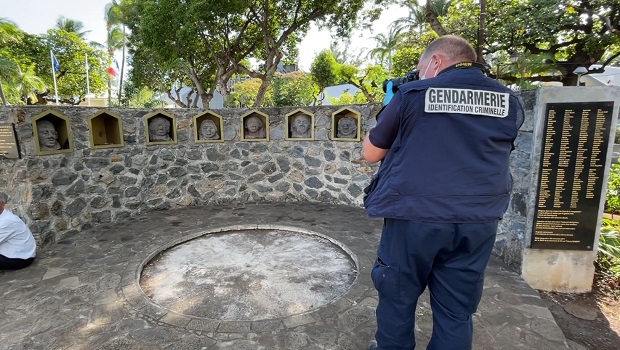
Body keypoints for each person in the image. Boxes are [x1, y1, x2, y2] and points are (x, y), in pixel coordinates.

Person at [362, 35, 524, 350]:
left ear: (436, 61)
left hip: (415, 217)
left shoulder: (412, 94)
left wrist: (390, 104)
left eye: (422, 66)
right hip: (478, 220)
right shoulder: (508, 101)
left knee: (397, 297)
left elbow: (371, 152)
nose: (420, 73)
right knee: (457, 309)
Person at [0, 198, 36, 270]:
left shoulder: (6, 221)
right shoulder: (5, 215)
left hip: (20, 258)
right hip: (21, 254)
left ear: (2, 204)